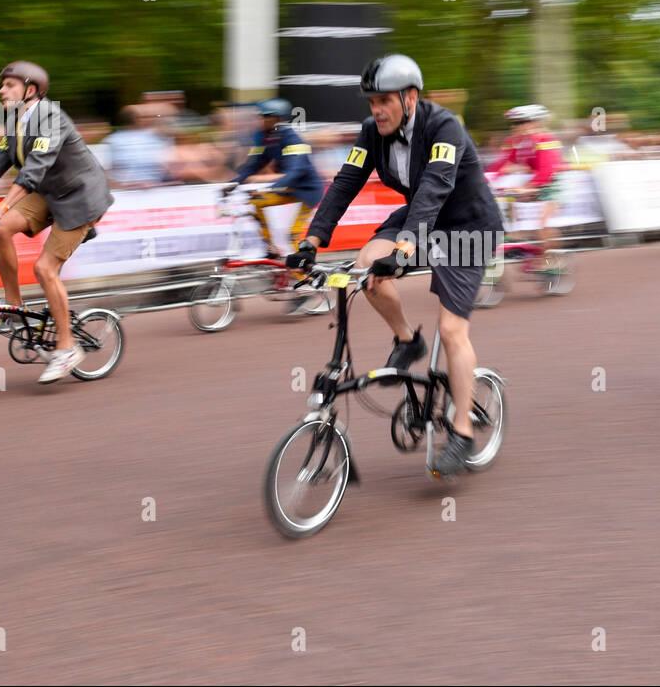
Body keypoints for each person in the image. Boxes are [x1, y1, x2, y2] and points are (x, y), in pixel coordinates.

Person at [286, 54, 505, 480]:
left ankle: (461, 431)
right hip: (420, 221)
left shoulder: (444, 126)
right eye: (371, 102)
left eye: (384, 100)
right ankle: (407, 340)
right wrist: (311, 241)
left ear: (410, 97)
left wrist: (405, 246)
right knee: (367, 267)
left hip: (466, 228)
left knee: (452, 329)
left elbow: (435, 187)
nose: (376, 110)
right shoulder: (372, 132)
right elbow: (345, 183)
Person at [0, 61, 115, 383]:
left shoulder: (50, 118)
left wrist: (1, 207)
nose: (1, 91)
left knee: (45, 269)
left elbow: (33, 171)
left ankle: (67, 348)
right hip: (49, 193)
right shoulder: (17, 120)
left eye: (10, 85)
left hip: (80, 198)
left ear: (30, 90)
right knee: (0, 230)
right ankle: (14, 304)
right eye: (2, 85)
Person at [224, 98, 323, 260]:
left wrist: (268, 189)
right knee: (255, 202)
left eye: (263, 117)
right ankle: (271, 248)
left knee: (291, 236)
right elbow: (252, 166)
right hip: (288, 187)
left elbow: (295, 171)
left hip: (307, 191)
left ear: (276, 119)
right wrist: (234, 183)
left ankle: (304, 276)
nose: (259, 120)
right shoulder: (265, 138)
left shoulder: (292, 139)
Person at [485, 104, 564, 258]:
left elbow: (546, 170)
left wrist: (527, 187)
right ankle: (519, 244)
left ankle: (553, 261)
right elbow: (504, 163)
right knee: (510, 210)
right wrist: (486, 178)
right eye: (514, 123)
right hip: (533, 182)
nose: (515, 126)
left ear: (534, 122)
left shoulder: (545, 139)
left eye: (520, 122)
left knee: (542, 225)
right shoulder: (515, 141)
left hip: (551, 183)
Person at [103, 105, 173, 188]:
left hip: (157, 189)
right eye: (146, 117)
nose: (152, 119)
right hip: (124, 193)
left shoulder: (156, 137)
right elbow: (104, 173)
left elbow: (167, 167)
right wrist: (122, 186)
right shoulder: (113, 141)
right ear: (136, 119)